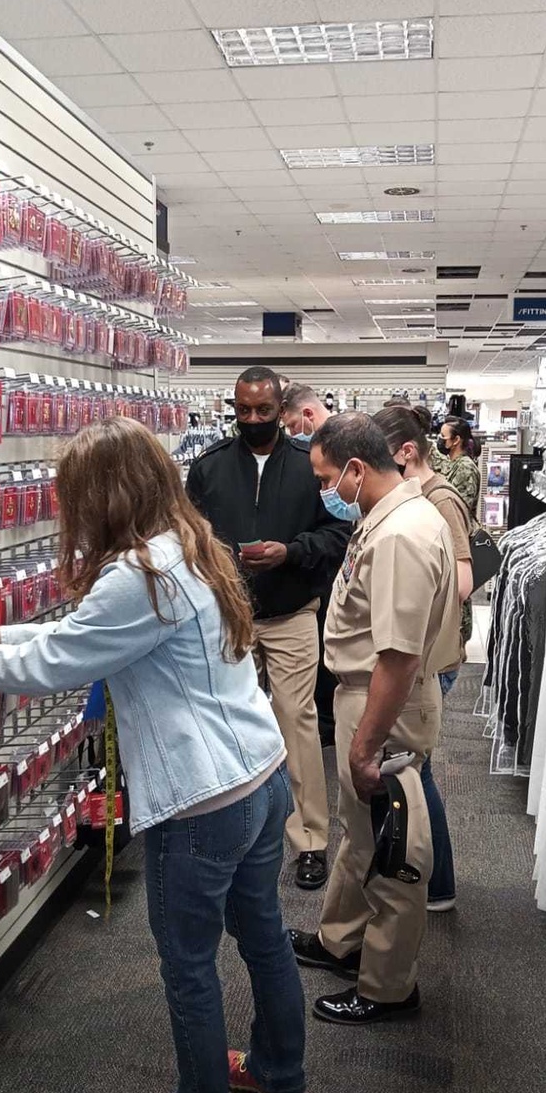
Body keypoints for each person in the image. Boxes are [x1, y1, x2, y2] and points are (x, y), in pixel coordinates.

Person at [0, 419, 307, 1093]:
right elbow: (88, 637)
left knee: (189, 964)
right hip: (259, 776)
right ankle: (279, 1074)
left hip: (203, 802)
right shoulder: (187, 547)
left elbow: (63, 661)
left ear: (101, 497)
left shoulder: (136, 576)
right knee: (263, 936)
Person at [290, 413, 457, 1025]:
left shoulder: (401, 535)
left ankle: (388, 985)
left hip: (383, 701)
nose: (324, 491)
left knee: (393, 851)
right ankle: (343, 942)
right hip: (362, 693)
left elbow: (399, 654)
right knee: (360, 832)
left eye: (328, 477)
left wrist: (365, 746)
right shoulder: (384, 519)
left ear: (358, 469)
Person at [186, 367, 350, 891]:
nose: (252, 420)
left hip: (292, 613)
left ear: (282, 410)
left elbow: (339, 534)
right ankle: (231, 833)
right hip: (228, 618)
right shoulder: (208, 469)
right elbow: (187, 539)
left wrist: (291, 551)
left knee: (297, 721)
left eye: (262, 410)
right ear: (233, 408)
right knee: (226, 722)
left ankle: (309, 839)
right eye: (243, 411)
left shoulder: (310, 467)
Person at [373, 404, 474, 914]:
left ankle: (436, 887)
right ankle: (434, 885)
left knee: (417, 771)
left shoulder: (439, 501)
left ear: (406, 454)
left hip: (433, 657)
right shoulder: (417, 500)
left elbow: (463, 581)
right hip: (428, 655)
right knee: (414, 769)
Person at [280, 382, 338, 747]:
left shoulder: (336, 446)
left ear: (307, 415)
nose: (289, 435)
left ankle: (331, 724)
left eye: (289, 426)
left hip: (332, 570)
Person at [435, 415, 482, 515]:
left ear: (456, 440)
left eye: (443, 436)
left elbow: (459, 509)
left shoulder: (466, 468)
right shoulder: (451, 463)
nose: (440, 440)